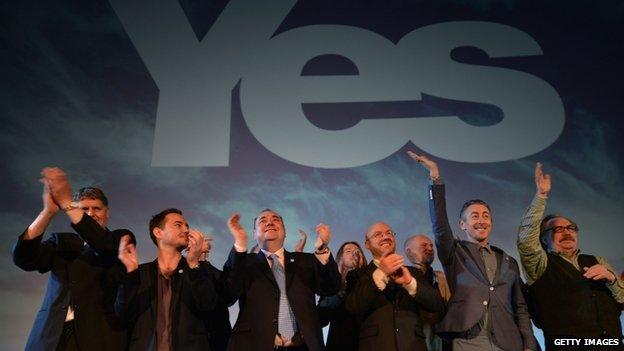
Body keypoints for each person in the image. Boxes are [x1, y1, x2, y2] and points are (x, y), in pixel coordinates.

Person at [409, 151, 536, 351]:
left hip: (508, 342)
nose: (481, 220)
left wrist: (529, 344)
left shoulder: (509, 261)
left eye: (485, 216)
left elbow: (520, 307)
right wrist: (435, 177)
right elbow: (440, 225)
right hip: (469, 340)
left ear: (491, 223)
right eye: (474, 216)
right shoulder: (454, 253)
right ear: (463, 224)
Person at [12, 168, 129, 351]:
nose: (90, 214)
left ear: (108, 213)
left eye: (96, 208)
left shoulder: (119, 239)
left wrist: (67, 202)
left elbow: (103, 246)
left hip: (95, 338)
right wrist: (48, 212)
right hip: (50, 337)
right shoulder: (61, 242)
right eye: (84, 209)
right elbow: (24, 258)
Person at [517, 163, 623, 350]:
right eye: (558, 229)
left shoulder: (598, 261)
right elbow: (526, 240)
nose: (566, 232)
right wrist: (541, 196)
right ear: (544, 238)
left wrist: (612, 279)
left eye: (570, 228)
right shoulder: (540, 265)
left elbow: (622, 299)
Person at [224, 209, 341, 351]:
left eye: (275, 219)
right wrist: (240, 244)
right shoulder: (244, 263)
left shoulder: (305, 261)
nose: (270, 222)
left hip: (303, 346)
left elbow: (330, 288)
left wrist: (322, 250)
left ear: (285, 232)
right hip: (254, 345)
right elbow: (227, 295)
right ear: (254, 233)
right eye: (263, 220)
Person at [116, 208, 218, 350]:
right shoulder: (139, 273)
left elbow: (209, 307)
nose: (186, 230)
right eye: (178, 225)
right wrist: (131, 274)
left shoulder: (198, 270)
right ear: (158, 232)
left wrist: (194, 264)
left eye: (187, 226)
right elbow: (123, 315)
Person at [345, 222, 444, 351]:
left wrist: (410, 283)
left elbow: (436, 305)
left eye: (389, 233)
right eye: (378, 234)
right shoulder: (357, 275)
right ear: (367, 244)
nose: (385, 237)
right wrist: (381, 273)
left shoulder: (414, 273)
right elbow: (353, 307)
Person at [404, 234, 451, 351]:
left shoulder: (442, 278)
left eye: (431, 246)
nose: (430, 248)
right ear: (409, 251)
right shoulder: (403, 279)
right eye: (424, 245)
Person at [317, 241, 367, 351]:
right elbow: (321, 319)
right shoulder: (331, 284)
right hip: (339, 342)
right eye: (348, 251)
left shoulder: (369, 280)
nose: (353, 253)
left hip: (366, 341)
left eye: (357, 252)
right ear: (340, 257)